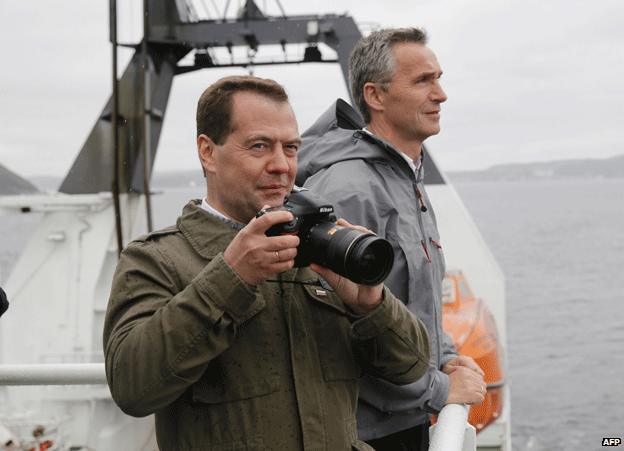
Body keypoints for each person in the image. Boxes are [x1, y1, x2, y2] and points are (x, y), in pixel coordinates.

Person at [103, 75, 432, 451]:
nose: (281, 165)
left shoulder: (319, 252)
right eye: (259, 146)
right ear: (208, 152)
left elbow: (411, 366)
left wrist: (370, 304)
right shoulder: (157, 259)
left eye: (291, 148)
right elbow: (133, 388)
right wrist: (231, 277)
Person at [296, 28, 487, 450]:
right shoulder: (348, 190)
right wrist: (437, 389)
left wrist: (446, 356)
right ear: (375, 96)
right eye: (423, 81)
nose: (441, 95)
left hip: (405, 416)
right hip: (364, 433)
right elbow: (330, 334)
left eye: (438, 78)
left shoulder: (405, 180)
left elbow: (411, 298)